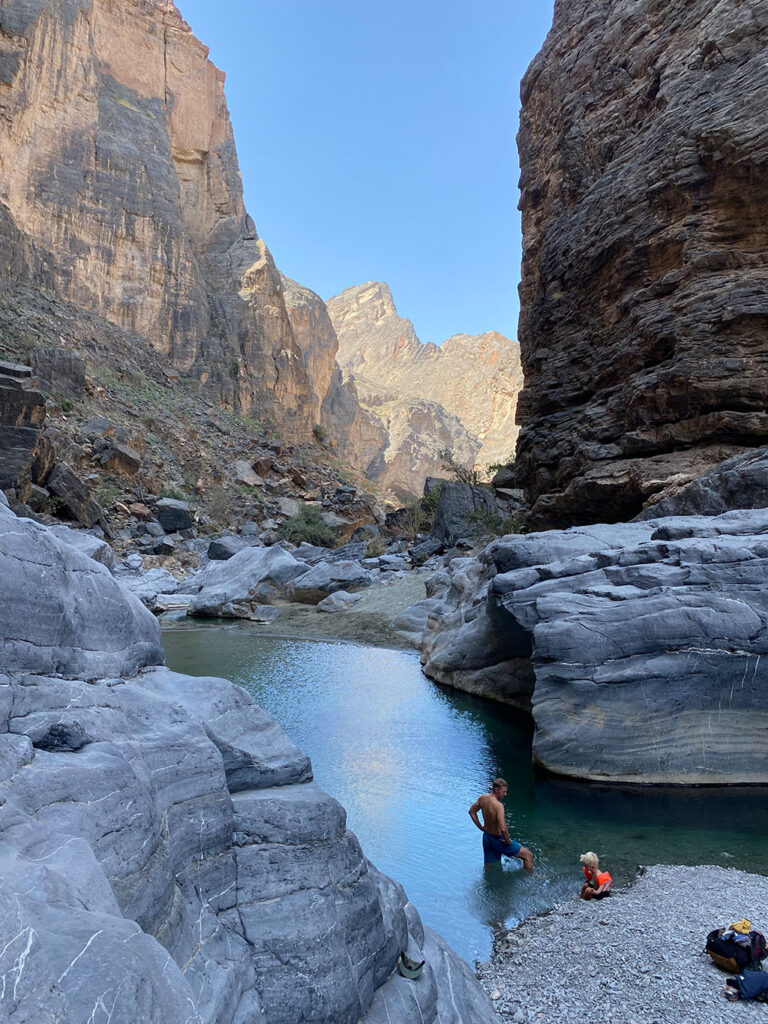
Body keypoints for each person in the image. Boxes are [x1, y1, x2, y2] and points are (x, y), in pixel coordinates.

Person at [468, 778, 534, 873]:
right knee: (527, 855)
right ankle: (530, 880)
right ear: (496, 790)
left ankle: (490, 885)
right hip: (499, 839)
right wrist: (507, 841)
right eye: (503, 792)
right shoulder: (498, 806)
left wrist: (481, 828)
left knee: (489, 867)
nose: (505, 794)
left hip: (487, 837)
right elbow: (503, 828)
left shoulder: (483, 798)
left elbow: (471, 812)